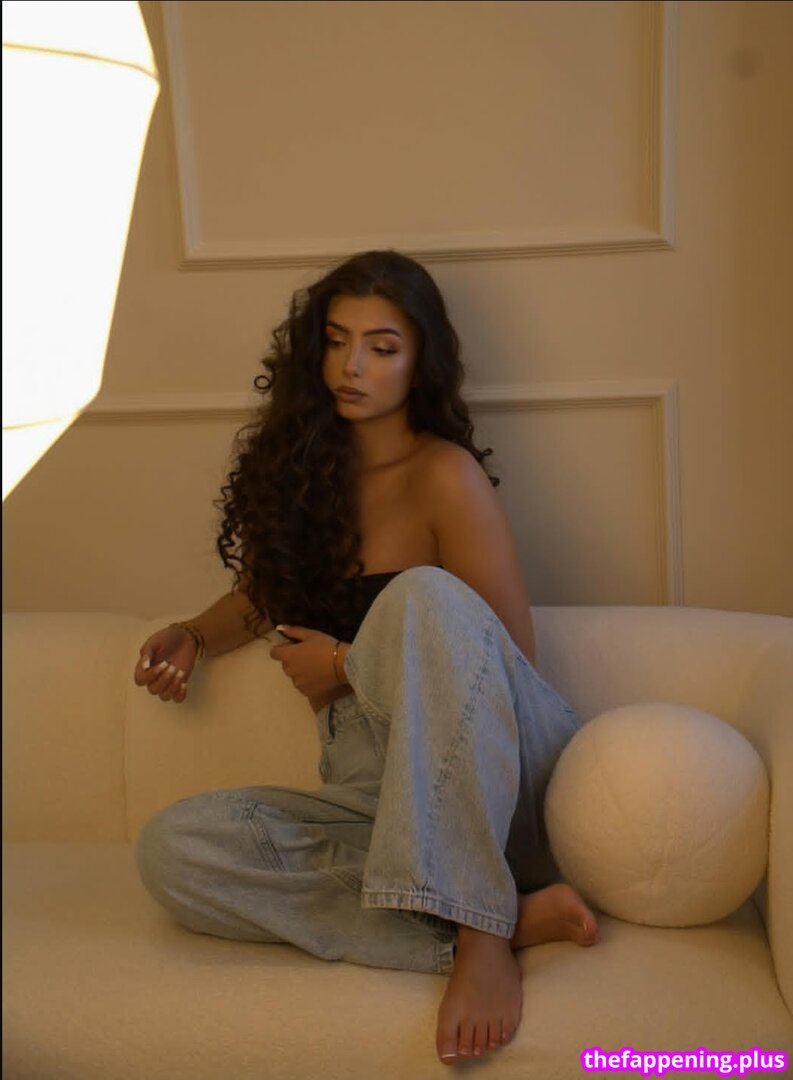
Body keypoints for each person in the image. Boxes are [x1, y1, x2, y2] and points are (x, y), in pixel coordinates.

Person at [133, 249, 598, 1065]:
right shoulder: (309, 477)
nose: (352, 366)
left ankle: (479, 932)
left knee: (422, 596)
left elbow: (500, 657)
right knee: (173, 849)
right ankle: (499, 916)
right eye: (337, 340)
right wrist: (195, 635)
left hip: (490, 780)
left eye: (381, 347)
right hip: (371, 792)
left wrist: (349, 665)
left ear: (420, 363)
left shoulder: (444, 474)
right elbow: (267, 593)